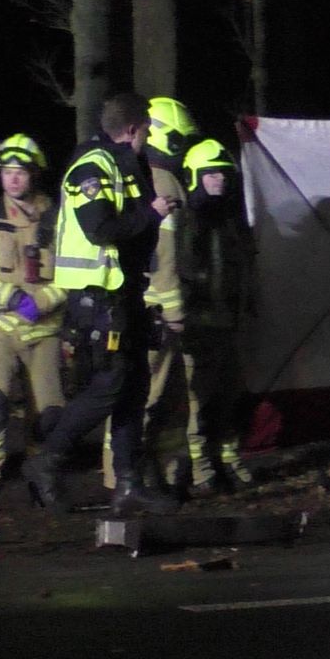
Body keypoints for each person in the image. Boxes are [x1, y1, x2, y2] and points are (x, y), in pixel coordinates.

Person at [22, 93, 182, 516]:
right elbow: (100, 229)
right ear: (131, 129)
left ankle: (128, 484)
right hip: (96, 297)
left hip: (124, 292)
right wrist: (152, 213)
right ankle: (47, 461)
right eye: (146, 129)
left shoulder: (123, 163)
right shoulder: (92, 166)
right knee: (109, 385)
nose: (149, 137)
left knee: (134, 386)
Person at [0, 135, 67, 511]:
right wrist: (9, 297)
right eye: (7, 172)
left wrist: (44, 301)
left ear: (34, 174)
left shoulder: (57, 215)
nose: (13, 179)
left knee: (49, 416)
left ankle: (41, 479)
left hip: (45, 329)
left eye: (20, 172)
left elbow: (75, 269)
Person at [98, 96, 197, 498]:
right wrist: (175, 310)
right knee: (149, 394)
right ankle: (128, 479)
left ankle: (159, 474)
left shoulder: (135, 175)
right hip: (156, 308)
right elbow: (167, 254)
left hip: (138, 303)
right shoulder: (163, 181)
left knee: (161, 396)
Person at [176, 137, 258, 495]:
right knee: (199, 399)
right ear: (195, 177)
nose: (219, 180)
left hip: (228, 321)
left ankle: (228, 458)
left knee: (230, 395)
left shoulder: (232, 219)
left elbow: (244, 267)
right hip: (196, 324)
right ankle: (201, 468)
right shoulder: (186, 219)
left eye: (223, 174)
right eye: (211, 174)